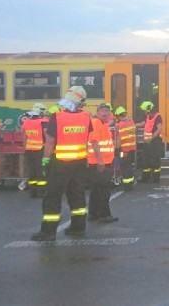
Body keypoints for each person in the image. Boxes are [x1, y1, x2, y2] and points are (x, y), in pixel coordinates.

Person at [31, 86, 104, 241]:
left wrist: (45, 160)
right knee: (77, 195)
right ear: (81, 102)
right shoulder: (86, 117)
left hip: (60, 164)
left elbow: (50, 142)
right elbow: (87, 139)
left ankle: (48, 232)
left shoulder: (57, 117)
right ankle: (78, 228)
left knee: (53, 196)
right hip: (79, 163)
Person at [87, 103, 118, 223]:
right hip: (100, 163)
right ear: (97, 112)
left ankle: (94, 214)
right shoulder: (96, 123)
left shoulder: (102, 124)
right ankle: (104, 215)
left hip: (101, 162)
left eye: (107, 111)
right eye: (103, 111)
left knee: (96, 189)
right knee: (104, 190)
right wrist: (100, 160)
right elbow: (94, 142)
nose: (105, 113)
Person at [21, 104, 48, 198]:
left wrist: (25, 148)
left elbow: (24, 137)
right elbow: (47, 136)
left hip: (29, 150)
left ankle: (32, 192)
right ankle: (41, 192)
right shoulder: (43, 122)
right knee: (40, 172)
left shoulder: (26, 122)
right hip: (40, 150)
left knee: (32, 172)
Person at [135, 101, 163, 184]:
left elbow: (159, 129)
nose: (143, 112)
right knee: (146, 160)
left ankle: (156, 178)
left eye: (144, 110)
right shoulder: (148, 117)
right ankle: (145, 178)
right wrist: (133, 124)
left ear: (148, 109)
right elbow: (143, 123)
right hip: (147, 142)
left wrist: (151, 137)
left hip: (155, 142)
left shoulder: (157, 117)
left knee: (155, 160)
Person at [114, 106, 137, 190]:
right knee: (130, 167)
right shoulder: (131, 122)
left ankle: (127, 186)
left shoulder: (119, 125)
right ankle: (130, 183)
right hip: (132, 149)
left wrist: (115, 148)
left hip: (124, 150)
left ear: (117, 116)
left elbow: (118, 139)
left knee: (125, 168)